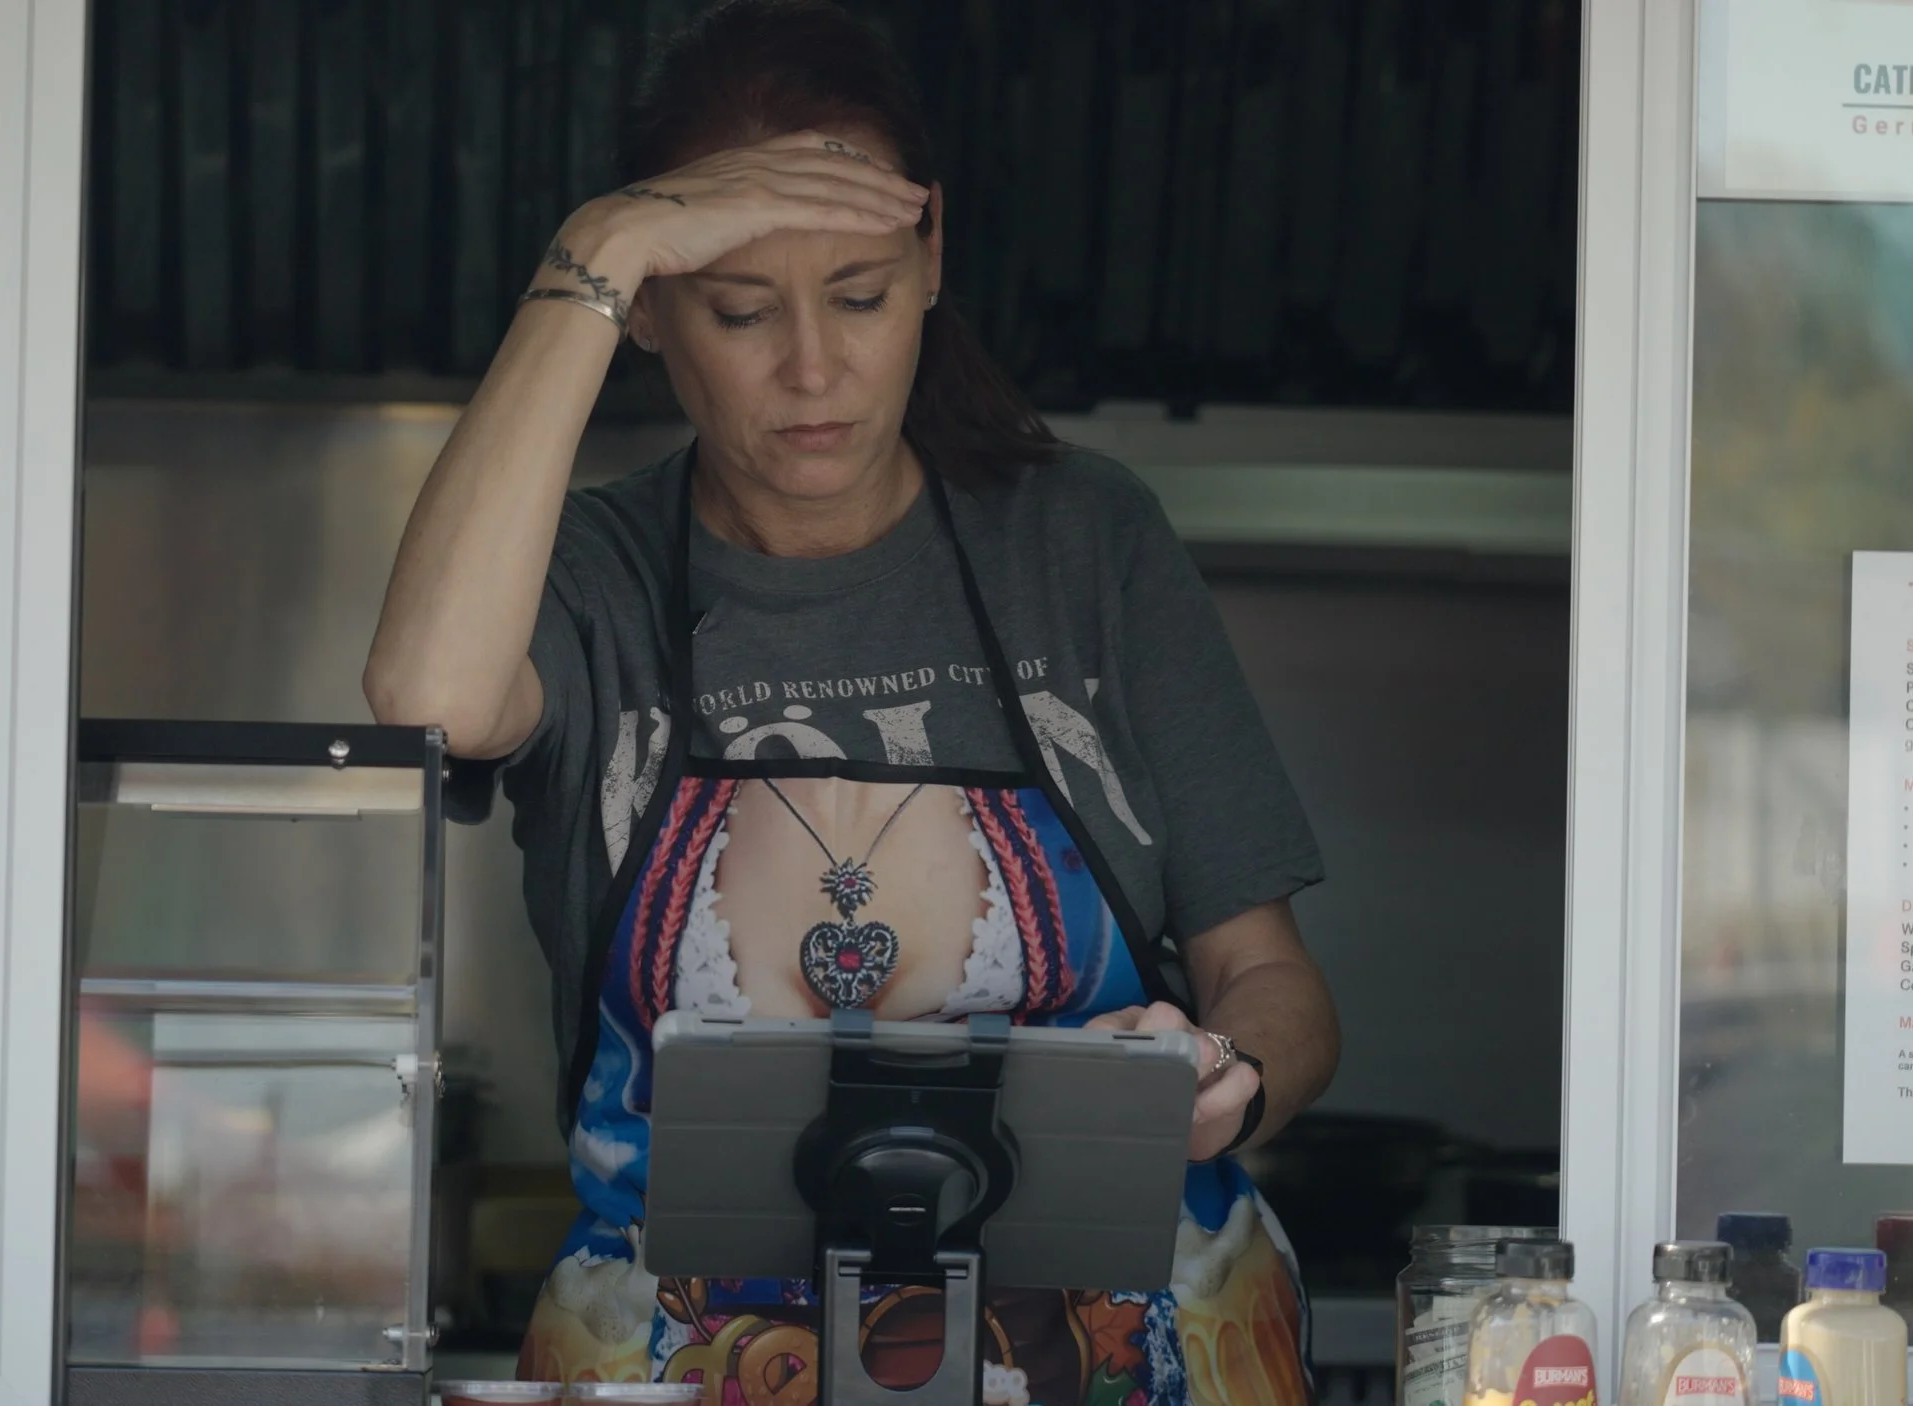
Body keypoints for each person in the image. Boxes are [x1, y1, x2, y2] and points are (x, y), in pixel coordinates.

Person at [364, 2, 1339, 1401]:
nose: (812, 370)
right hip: (693, 1364)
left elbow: (1277, 980)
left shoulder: (1084, 544)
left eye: (863, 296)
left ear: (932, 257)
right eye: (741, 309)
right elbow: (431, 696)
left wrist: (1227, 1066)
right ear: (648, 314)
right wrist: (606, 240)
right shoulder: (589, 576)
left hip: (1134, 1351)